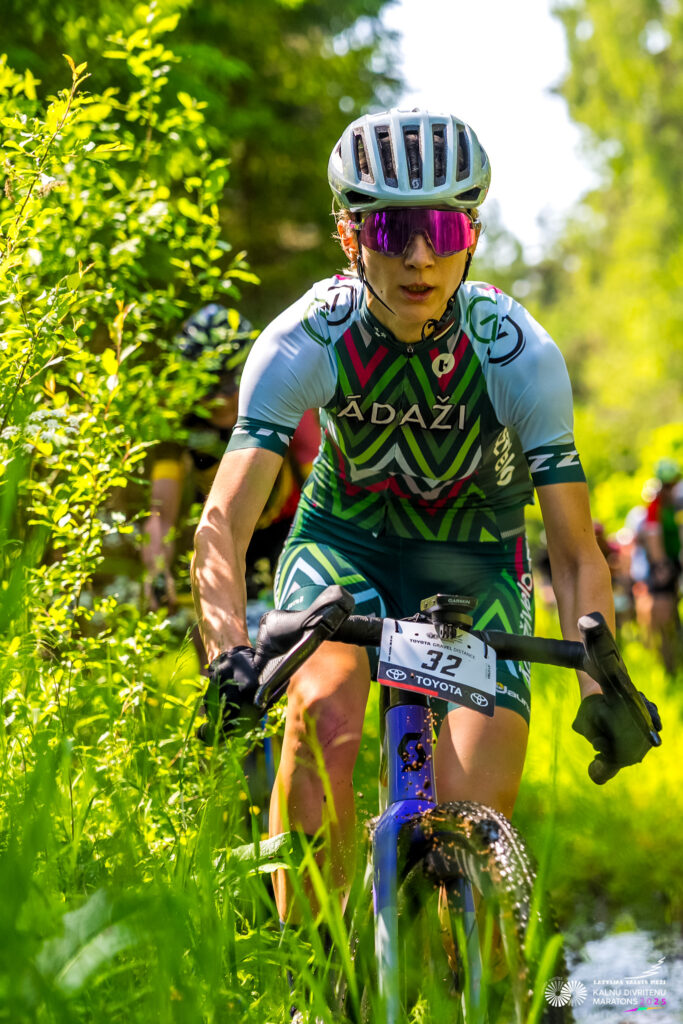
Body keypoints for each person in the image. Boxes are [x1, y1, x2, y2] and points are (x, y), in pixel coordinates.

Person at [191, 109, 660, 924]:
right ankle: (310, 966)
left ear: (469, 235)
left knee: (474, 805)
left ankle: (475, 965)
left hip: (475, 564)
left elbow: (574, 551)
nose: (419, 257)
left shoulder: (517, 353)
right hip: (344, 547)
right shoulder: (307, 339)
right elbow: (221, 527)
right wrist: (227, 654)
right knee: (323, 717)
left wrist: (602, 678)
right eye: (392, 229)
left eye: (441, 229)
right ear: (350, 236)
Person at [142, 304, 319, 655]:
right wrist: (157, 570)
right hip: (219, 530)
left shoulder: (283, 396)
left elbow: (319, 487)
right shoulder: (177, 417)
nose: (221, 398)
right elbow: (161, 511)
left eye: (230, 382)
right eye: (208, 387)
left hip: (286, 530)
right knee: (217, 649)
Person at [641, 457, 682, 672]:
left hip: (677, 560)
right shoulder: (654, 507)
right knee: (664, 616)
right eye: (666, 485)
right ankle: (669, 667)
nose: (670, 488)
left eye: (673, 483)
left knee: (675, 616)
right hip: (663, 565)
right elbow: (653, 539)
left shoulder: (676, 503)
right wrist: (661, 566)